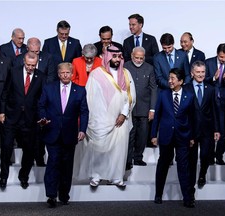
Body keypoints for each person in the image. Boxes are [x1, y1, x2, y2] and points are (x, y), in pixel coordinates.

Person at [78, 45, 136, 188]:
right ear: (107, 57)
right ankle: (96, 176)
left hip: (119, 120)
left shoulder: (126, 74)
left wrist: (123, 114)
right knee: (99, 148)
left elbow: (130, 96)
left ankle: (116, 177)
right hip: (100, 119)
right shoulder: (96, 74)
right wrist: (96, 117)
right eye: (114, 56)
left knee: (118, 149)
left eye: (119, 57)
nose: (117, 59)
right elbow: (90, 98)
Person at [38, 62, 89, 208]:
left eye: (68, 73)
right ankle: (52, 196)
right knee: (53, 163)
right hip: (51, 132)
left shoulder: (80, 90)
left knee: (67, 165)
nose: (65, 75)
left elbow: (84, 111)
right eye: (62, 73)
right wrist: (43, 118)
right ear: (58, 74)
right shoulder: (49, 88)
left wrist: (82, 129)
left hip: (70, 133)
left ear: (72, 74)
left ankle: (64, 195)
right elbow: (41, 105)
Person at [0, 52, 46, 190]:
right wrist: (2, 111)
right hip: (12, 117)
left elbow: (42, 98)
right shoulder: (13, 72)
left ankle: (24, 176)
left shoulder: (41, 76)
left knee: (29, 151)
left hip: (30, 120)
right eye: (28, 65)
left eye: (33, 65)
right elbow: (5, 93)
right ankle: (3, 177)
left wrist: (41, 116)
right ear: (23, 62)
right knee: (6, 148)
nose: (30, 67)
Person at [151, 68, 195, 208]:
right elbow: (157, 115)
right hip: (165, 136)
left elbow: (193, 118)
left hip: (183, 136)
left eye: (172, 78)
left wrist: (192, 136)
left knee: (183, 167)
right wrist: (153, 135)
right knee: (163, 165)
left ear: (181, 81)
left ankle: (187, 198)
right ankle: (158, 194)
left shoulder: (189, 95)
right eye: (169, 78)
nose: (169, 81)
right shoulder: (163, 94)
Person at [13, 37, 57, 167]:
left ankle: (39, 158)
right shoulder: (18, 59)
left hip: (40, 100)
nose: (35, 54)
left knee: (39, 133)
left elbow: (50, 78)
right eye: (33, 51)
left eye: (38, 52)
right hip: (22, 102)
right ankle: (27, 159)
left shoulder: (48, 58)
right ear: (27, 49)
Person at [186, 61, 220, 197]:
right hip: (191, 129)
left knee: (206, 155)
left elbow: (215, 110)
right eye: (198, 72)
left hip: (207, 128)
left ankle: (202, 175)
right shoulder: (186, 88)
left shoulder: (210, 88)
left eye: (203, 72)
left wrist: (217, 129)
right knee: (192, 158)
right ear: (192, 73)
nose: (200, 75)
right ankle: (190, 184)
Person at [124, 46, 157, 170]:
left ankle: (138, 157)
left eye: (141, 58)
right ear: (132, 56)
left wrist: (152, 109)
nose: (138, 60)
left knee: (142, 134)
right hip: (129, 108)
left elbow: (154, 88)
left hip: (144, 107)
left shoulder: (149, 68)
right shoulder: (125, 66)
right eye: (136, 58)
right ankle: (127, 160)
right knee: (130, 134)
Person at [205, 43, 225, 165]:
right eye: (221, 57)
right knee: (211, 129)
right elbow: (203, 78)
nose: (223, 59)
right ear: (217, 54)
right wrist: (214, 78)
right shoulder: (209, 62)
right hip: (211, 101)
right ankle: (210, 156)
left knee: (223, 130)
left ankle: (219, 155)